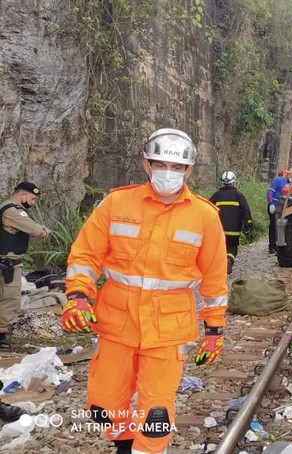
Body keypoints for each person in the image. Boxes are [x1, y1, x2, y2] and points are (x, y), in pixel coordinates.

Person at [61, 128, 228, 454]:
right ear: (147, 165)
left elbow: (215, 279)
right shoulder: (116, 203)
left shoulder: (204, 217)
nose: (169, 173)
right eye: (161, 164)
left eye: (177, 167)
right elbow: (85, 256)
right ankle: (123, 446)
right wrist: (78, 296)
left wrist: (214, 330)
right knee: (104, 407)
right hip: (115, 323)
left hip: (167, 330)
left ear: (189, 170)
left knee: (156, 414)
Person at [0, 182, 50, 350]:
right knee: (10, 299)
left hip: (8, 263)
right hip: (7, 264)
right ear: (22, 195)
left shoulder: (11, 209)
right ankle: (1, 337)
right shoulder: (12, 210)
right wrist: (42, 231)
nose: (33, 202)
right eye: (32, 198)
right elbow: (35, 229)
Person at [209, 171, 253, 274]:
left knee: (220, 247)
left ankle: (220, 264)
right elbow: (246, 210)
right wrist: (248, 225)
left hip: (219, 230)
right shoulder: (239, 195)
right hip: (234, 230)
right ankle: (229, 260)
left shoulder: (216, 195)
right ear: (234, 182)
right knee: (232, 247)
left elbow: (207, 209)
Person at [266, 170, 289, 254]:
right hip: (274, 206)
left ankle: (277, 245)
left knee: (279, 226)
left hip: (282, 207)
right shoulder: (278, 180)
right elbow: (270, 192)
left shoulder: (289, 183)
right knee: (273, 226)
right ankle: (272, 246)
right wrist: (271, 203)